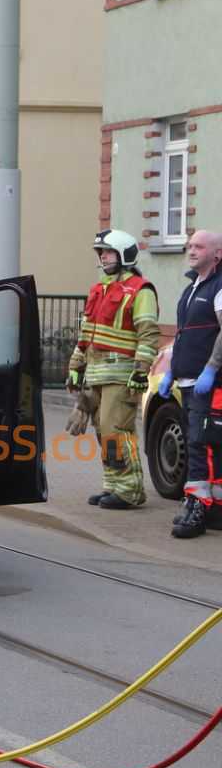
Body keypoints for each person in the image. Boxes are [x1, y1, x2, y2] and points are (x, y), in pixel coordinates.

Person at [68, 230, 157, 513]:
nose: (103, 257)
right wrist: (75, 367)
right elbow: (86, 334)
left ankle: (129, 490)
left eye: (107, 252)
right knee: (102, 430)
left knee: (115, 429)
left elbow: (148, 334)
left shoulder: (141, 290)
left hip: (122, 374)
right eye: (101, 253)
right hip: (96, 373)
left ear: (124, 255)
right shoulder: (98, 289)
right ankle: (113, 484)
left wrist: (142, 370)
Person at [164, 230, 222, 537]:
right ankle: (208, 508)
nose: (191, 250)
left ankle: (198, 510)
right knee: (196, 443)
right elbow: (184, 333)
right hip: (187, 381)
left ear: (217, 254)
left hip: (208, 384)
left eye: (199, 246)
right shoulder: (191, 288)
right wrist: (170, 372)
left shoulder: (219, 285)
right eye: (189, 245)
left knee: (202, 445)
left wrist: (211, 369)